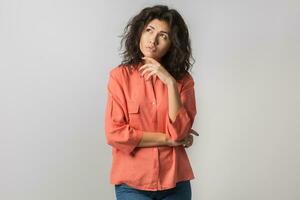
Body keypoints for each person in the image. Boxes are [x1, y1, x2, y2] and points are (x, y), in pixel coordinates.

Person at [104, 5, 198, 200]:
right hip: (132, 185)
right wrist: (167, 140)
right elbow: (115, 134)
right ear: (139, 32)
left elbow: (179, 133)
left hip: (175, 183)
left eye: (163, 36)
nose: (153, 40)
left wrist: (170, 83)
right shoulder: (120, 77)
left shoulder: (183, 82)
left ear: (173, 44)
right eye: (149, 30)